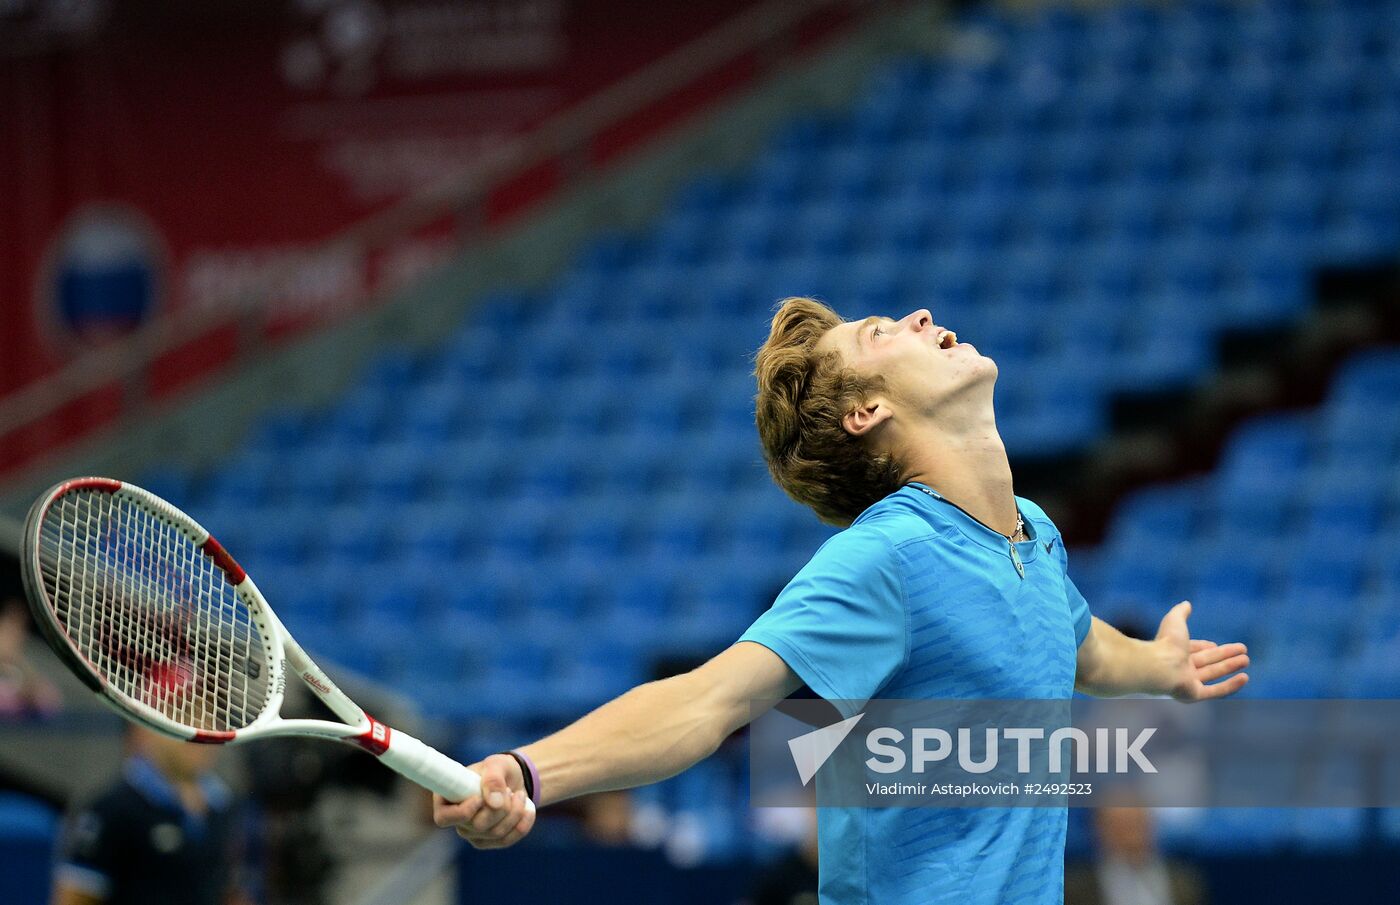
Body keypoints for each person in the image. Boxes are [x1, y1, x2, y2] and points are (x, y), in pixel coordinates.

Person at [432, 299, 1250, 904]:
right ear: (868, 412)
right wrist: (529, 770)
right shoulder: (886, 557)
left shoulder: (1031, 534)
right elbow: (710, 699)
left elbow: (1083, 646)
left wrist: (1162, 666)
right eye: (881, 332)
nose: (920, 315)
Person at [52, 725, 249, 905]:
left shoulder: (225, 808)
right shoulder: (110, 809)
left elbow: (226, 890)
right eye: (186, 716)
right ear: (145, 729)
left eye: (208, 719)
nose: (200, 732)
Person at [1063, 805, 1205, 905]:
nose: (1131, 835)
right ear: (1099, 830)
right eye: (1121, 826)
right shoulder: (1075, 888)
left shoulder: (1184, 881)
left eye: (1137, 824)